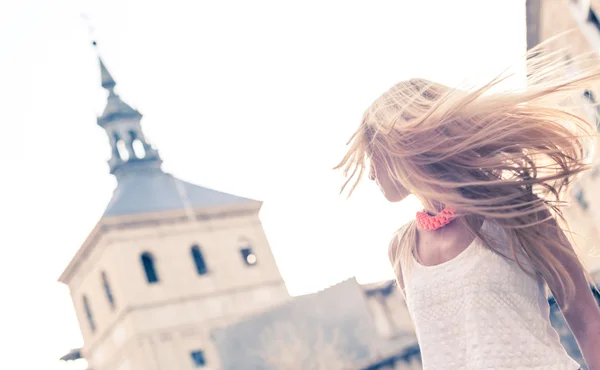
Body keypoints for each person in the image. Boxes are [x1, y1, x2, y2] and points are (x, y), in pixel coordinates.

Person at [336, 46, 600, 369]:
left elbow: (588, 320)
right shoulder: (402, 251)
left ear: (405, 143)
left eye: (373, 149)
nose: (370, 172)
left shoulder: (515, 209)